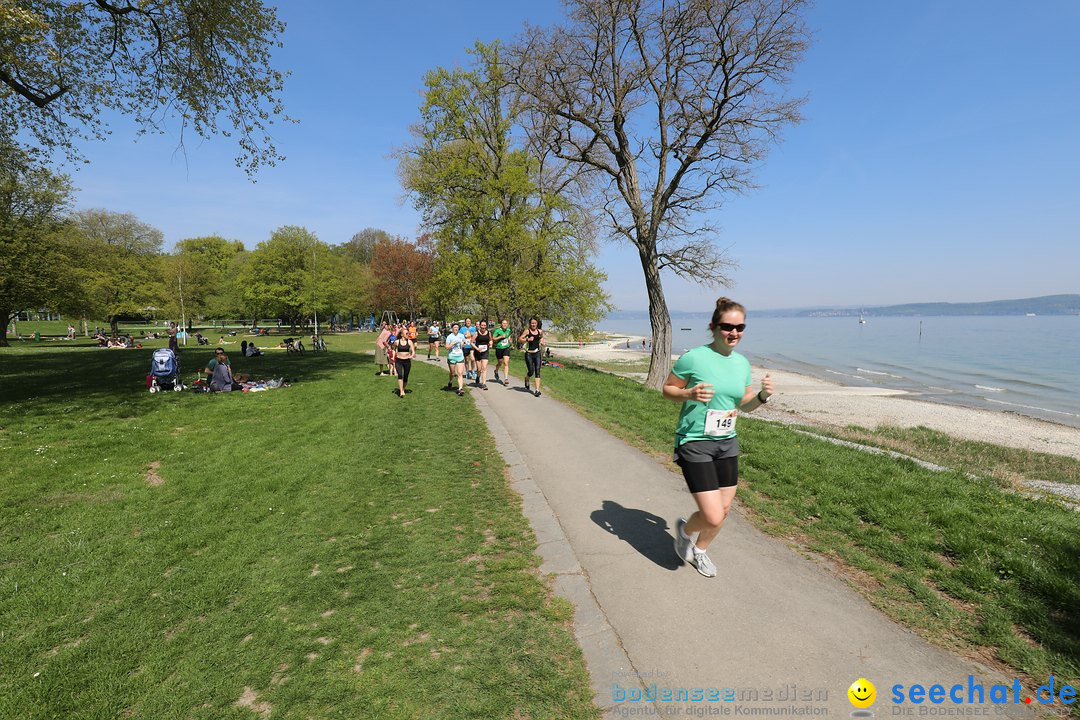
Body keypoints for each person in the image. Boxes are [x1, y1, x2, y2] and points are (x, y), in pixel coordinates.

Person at [662, 297, 774, 579]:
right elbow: (667, 389)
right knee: (711, 515)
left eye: (740, 327)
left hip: (727, 441)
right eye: (727, 326)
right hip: (694, 441)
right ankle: (685, 532)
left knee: (724, 510)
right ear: (713, 327)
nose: (734, 332)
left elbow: (744, 403)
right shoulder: (694, 357)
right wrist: (687, 394)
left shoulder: (742, 363)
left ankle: (699, 551)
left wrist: (761, 397)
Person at [518, 317, 545, 397]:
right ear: (530, 324)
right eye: (532, 323)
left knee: (537, 370)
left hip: (537, 353)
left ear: (537, 324)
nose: (533, 324)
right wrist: (527, 340)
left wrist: (542, 341)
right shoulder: (527, 331)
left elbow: (542, 338)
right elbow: (519, 339)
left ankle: (537, 390)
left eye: (535, 323)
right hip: (529, 354)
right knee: (531, 371)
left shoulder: (540, 331)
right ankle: (527, 378)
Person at [444, 322, 467, 396]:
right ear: (452, 329)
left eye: (457, 327)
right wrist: (453, 343)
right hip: (452, 356)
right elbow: (447, 347)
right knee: (452, 373)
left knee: (460, 373)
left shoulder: (461, 335)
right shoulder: (449, 337)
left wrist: (462, 344)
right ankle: (450, 381)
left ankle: (460, 388)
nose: (456, 329)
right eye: (454, 327)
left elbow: (464, 343)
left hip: (460, 356)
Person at [394, 328, 416, 398]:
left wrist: (412, 355)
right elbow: (393, 349)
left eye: (408, 333)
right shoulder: (397, 342)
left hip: (407, 361)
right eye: (406, 333)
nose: (408, 334)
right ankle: (401, 391)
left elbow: (413, 350)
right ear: (402, 335)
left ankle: (403, 389)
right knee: (400, 375)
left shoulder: (409, 342)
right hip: (399, 361)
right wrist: (393, 356)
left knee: (406, 376)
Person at [472, 320, 492, 390]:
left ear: (486, 326)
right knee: (479, 368)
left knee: (484, 368)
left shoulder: (488, 333)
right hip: (478, 352)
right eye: (482, 325)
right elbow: (471, 342)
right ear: (480, 326)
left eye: (484, 325)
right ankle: (478, 376)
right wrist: (477, 348)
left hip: (485, 352)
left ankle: (484, 384)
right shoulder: (476, 333)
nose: (483, 327)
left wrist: (491, 343)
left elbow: (490, 340)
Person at [492, 319, 512, 386]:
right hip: (499, 348)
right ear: (501, 324)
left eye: (506, 323)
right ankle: (496, 371)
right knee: (500, 363)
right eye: (503, 323)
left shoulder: (508, 330)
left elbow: (509, 336)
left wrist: (510, 340)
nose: (505, 325)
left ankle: (506, 379)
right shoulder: (498, 330)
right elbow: (493, 338)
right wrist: (500, 337)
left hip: (506, 348)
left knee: (506, 363)